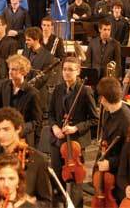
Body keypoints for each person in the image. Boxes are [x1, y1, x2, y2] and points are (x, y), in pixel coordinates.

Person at [0, 108, 52, 208]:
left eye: (6, 129)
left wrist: (27, 204)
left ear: (18, 129)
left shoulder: (38, 159)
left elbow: (46, 203)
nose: (1, 135)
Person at [48, 57, 99, 208]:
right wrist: (55, 127)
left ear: (78, 71)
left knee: (75, 180)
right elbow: (50, 114)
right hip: (57, 140)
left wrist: (75, 128)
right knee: (58, 177)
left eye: (71, 69)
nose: (67, 72)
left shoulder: (85, 91)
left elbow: (94, 119)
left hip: (76, 142)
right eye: (65, 69)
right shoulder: (58, 89)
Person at [95, 77, 130, 201]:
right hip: (105, 167)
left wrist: (110, 163)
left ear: (104, 99)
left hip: (119, 175)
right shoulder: (109, 111)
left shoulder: (127, 121)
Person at [0, 56, 42, 146]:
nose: (10, 72)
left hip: (22, 137)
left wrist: (18, 130)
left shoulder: (33, 93)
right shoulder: (3, 86)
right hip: (4, 134)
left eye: (14, 69)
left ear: (23, 71)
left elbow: (36, 122)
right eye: (9, 69)